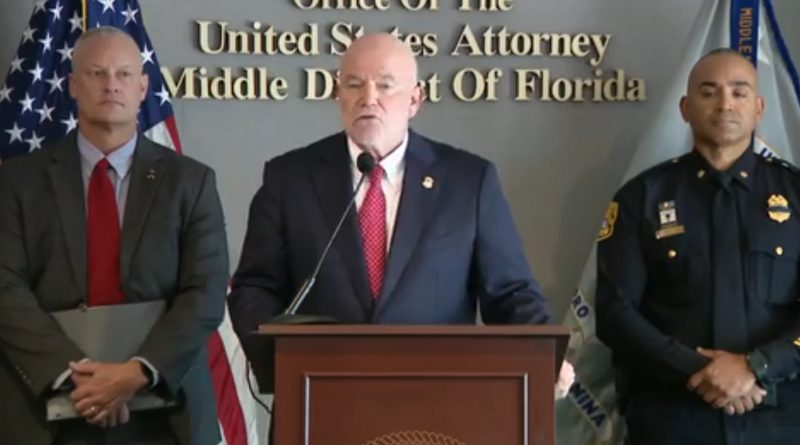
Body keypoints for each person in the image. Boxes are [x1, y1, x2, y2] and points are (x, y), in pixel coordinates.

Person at [228, 32, 573, 386]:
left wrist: (545, 357)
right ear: (338, 94)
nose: (368, 98)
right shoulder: (290, 178)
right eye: (354, 85)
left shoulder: (468, 182)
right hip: (319, 393)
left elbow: (509, 292)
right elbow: (254, 287)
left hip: (439, 397)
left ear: (415, 99)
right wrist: (283, 365)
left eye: (385, 85)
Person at [0, 27, 228, 445]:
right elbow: (5, 288)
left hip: (166, 413)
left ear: (142, 87)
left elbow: (206, 291)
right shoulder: (17, 181)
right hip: (47, 411)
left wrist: (136, 373)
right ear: (73, 85)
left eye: (124, 74)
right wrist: (79, 378)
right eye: (97, 73)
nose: (111, 85)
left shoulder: (191, 182)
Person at [597, 48, 800, 445]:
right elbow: (614, 312)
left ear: (759, 108)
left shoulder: (795, 194)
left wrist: (757, 367)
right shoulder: (642, 197)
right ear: (685, 108)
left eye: (739, 92)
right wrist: (698, 370)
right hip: (674, 415)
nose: (725, 103)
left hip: (782, 416)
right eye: (709, 92)